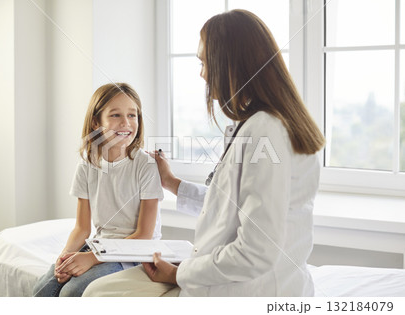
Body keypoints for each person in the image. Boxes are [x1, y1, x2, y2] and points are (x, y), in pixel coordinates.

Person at [82, 9, 325, 297]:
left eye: (204, 62)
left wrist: (180, 272)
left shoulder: (264, 131)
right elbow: (230, 208)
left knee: (95, 295)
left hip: (246, 291)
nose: (202, 73)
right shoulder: (264, 124)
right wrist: (172, 183)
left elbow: (256, 252)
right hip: (234, 276)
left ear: (229, 65)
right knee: (100, 289)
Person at [33, 83, 164, 297]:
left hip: (136, 254)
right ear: (96, 122)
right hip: (101, 246)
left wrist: (92, 257)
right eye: (115, 115)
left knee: (72, 293)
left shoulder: (146, 166)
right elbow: (82, 228)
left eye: (133, 115)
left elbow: (144, 236)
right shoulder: (87, 165)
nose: (126, 123)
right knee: (43, 289)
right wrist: (65, 257)